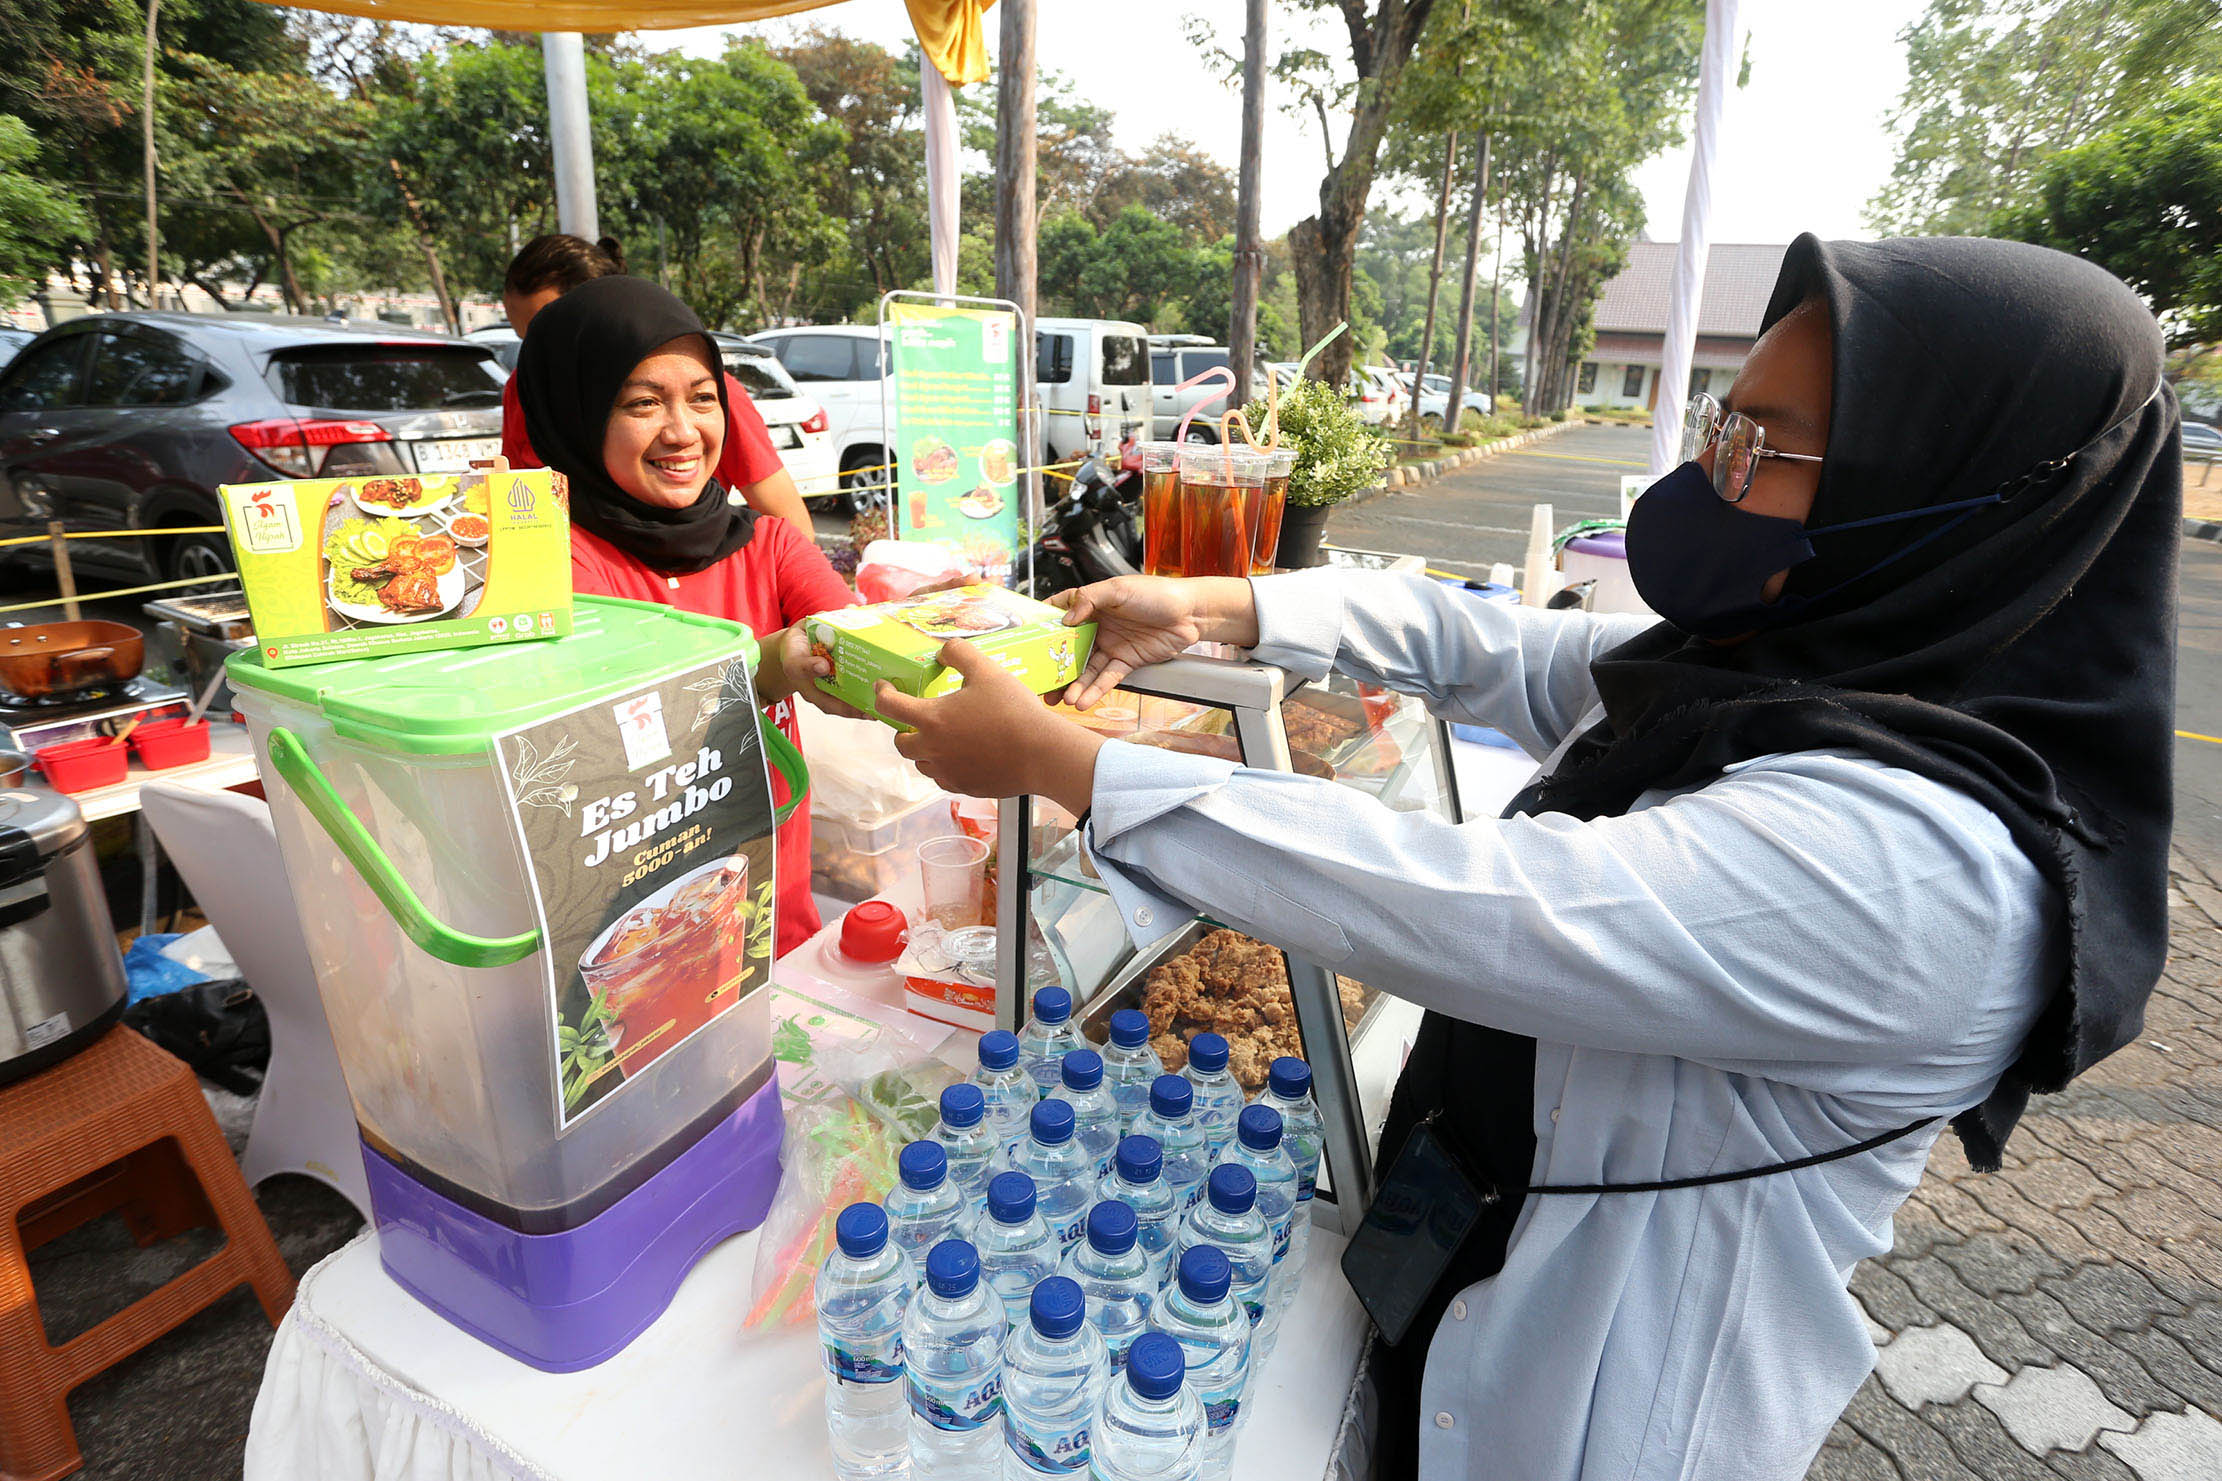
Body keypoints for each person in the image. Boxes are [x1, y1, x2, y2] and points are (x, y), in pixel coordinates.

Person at [866, 235, 2180, 1479]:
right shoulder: (1790, 676)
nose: (1715, 469)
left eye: (1759, 446)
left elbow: (1483, 910)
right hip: (1482, 1250)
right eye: (1724, 421)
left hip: (1611, 1410)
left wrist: (1067, 765)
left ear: (1945, 490)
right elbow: (1491, 647)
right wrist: (1220, 604)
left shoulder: (1933, 870)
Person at [514, 274, 859, 957]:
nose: (683, 432)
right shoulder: (555, 567)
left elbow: (862, 645)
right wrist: (766, 668)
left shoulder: (769, 542)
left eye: (704, 399)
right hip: (635, 948)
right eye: (644, 403)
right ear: (578, 415)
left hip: (775, 919)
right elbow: (623, 725)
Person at [498, 234, 813, 540]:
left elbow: (794, 533)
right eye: (528, 343)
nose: (682, 434)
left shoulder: (715, 397)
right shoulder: (525, 391)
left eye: (549, 335)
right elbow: (517, 507)